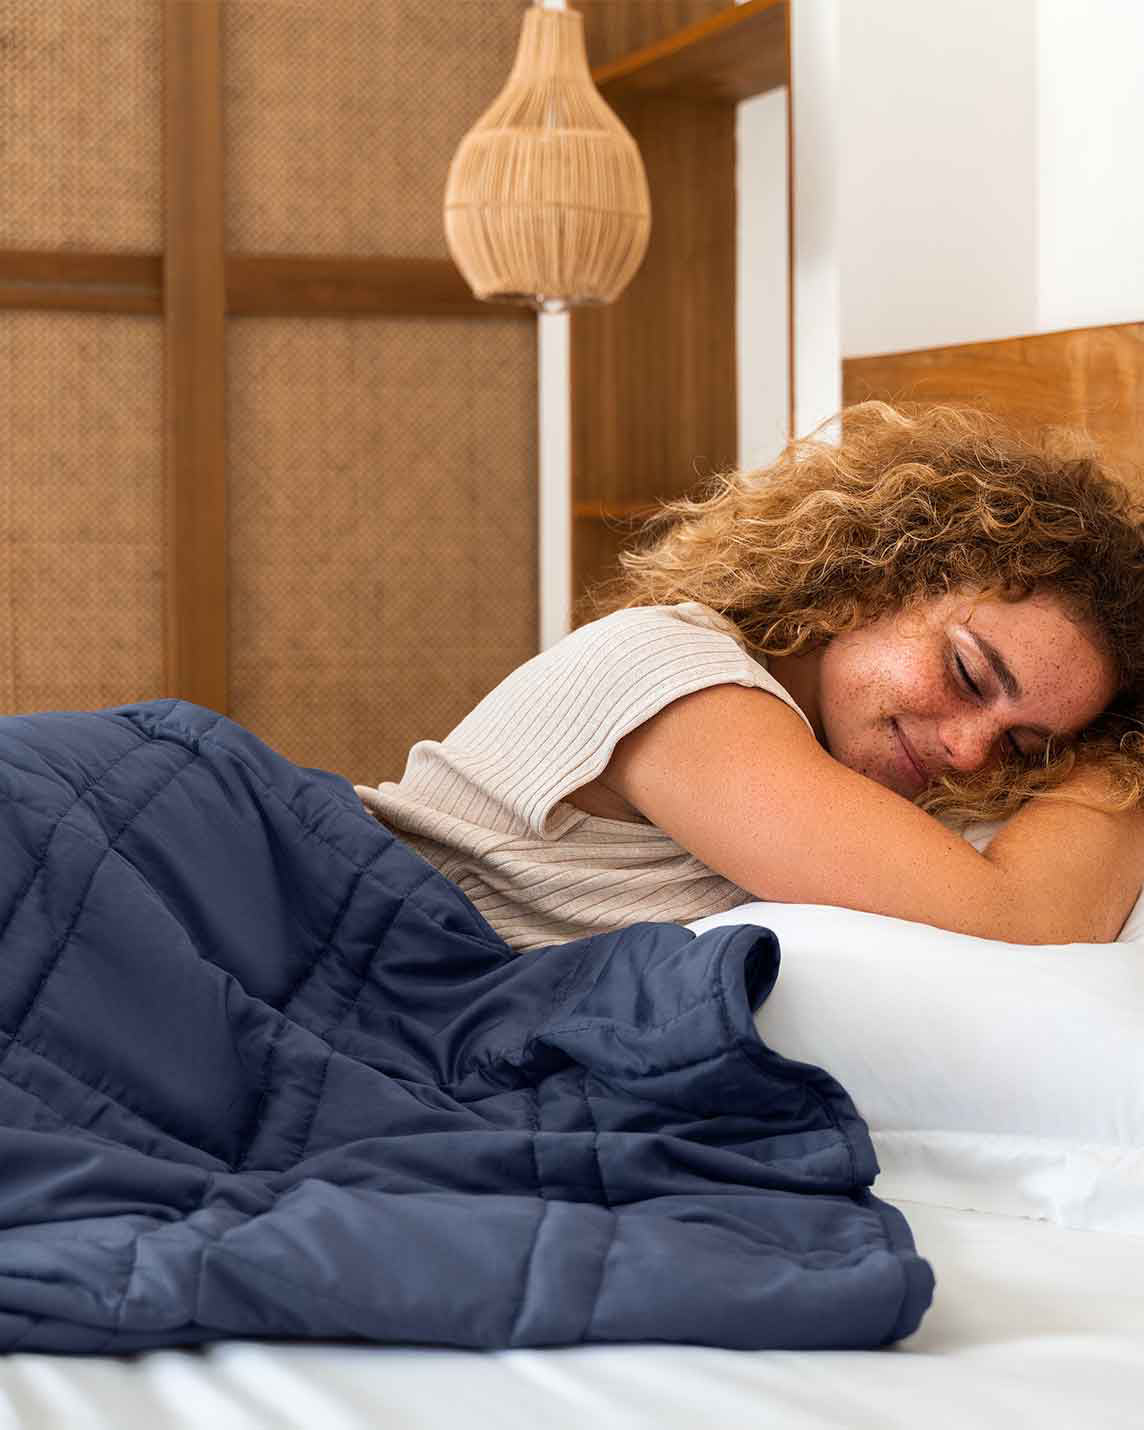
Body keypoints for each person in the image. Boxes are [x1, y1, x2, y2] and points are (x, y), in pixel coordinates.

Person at [356, 402, 1144, 952]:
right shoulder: (682, 682)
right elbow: (1020, 919)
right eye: (968, 674)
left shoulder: (820, 748)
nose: (971, 753)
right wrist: (1129, 758)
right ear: (878, 575)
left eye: (1022, 746)